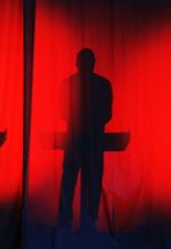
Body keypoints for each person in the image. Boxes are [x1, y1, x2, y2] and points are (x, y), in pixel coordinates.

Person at [58, 48, 112, 234]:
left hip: (74, 139)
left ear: (77, 63)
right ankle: (90, 221)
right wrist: (94, 124)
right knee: (93, 181)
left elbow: (62, 111)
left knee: (69, 181)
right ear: (93, 63)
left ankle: (66, 221)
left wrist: (77, 123)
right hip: (94, 140)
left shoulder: (67, 84)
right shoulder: (104, 85)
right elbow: (107, 113)